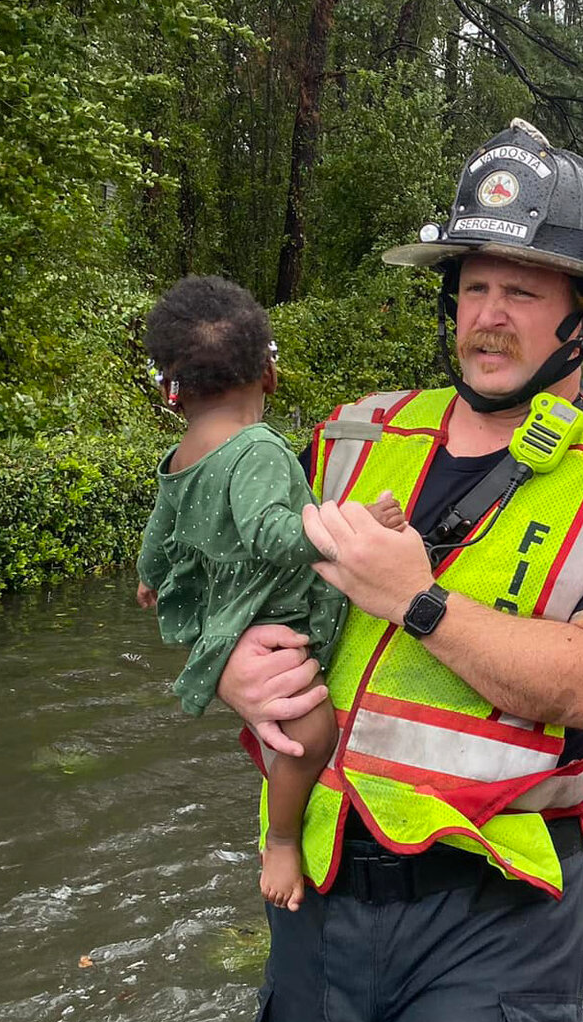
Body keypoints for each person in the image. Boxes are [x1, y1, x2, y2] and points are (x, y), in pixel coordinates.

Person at [215, 119, 583, 1022]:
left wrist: (417, 601)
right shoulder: (349, 436)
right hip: (318, 886)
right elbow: (250, 600)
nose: (488, 313)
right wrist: (231, 663)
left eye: (521, 290)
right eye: (473, 286)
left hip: (496, 911)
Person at [135, 276, 405, 913]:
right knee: (312, 734)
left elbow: (160, 524)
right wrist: (356, 523)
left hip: (223, 608)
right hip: (267, 605)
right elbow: (273, 537)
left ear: (176, 396)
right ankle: (281, 839)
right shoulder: (255, 447)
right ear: (268, 373)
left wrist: (149, 574)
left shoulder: (183, 453)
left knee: (291, 725)